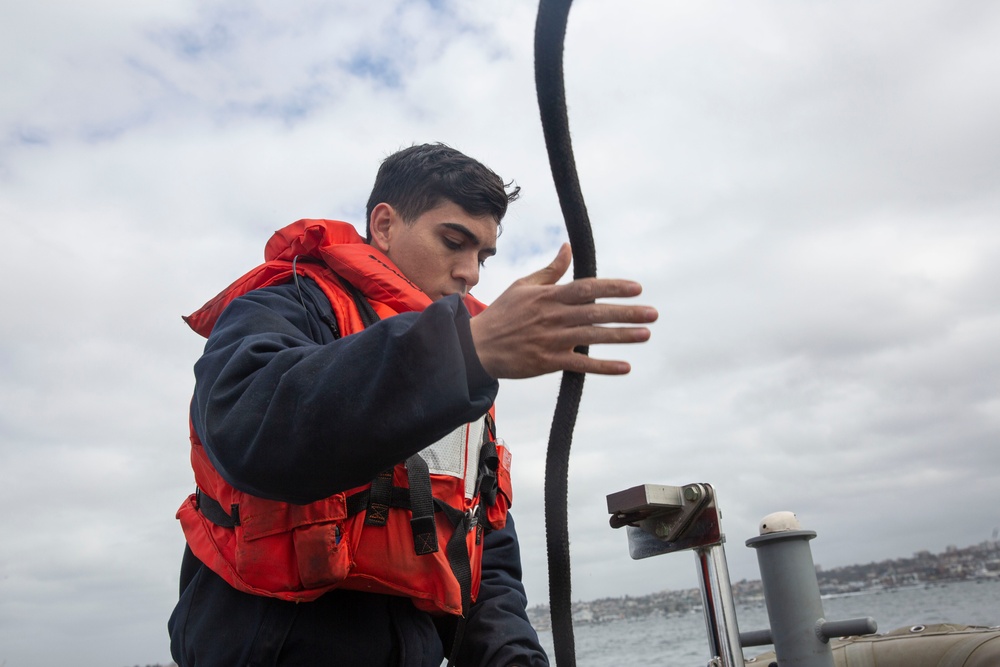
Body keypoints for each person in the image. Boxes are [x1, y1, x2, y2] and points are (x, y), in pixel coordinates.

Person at [168, 143, 658, 667]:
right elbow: (251, 427)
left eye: (483, 256)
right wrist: (465, 352)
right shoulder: (286, 304)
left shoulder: (461, 384)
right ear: (383, 225)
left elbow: (478, 555)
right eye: (454, 241)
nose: (470, 272)